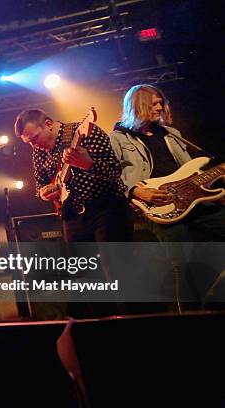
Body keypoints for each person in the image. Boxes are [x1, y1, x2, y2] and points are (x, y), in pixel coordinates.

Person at [109, 84, 225, 310]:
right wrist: (135, 191)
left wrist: (217, 177)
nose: (160, 107)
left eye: (161, 102)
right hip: (160, 205)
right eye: (154, 103)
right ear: (139, 105)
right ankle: (191, 318)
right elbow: (109, 176)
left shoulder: (172, 134)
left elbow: (193, 171)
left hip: (193, 200)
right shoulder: (118, 138)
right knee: (184, 265)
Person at [14, 109, 133, 242]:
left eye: (35, 138)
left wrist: (89, 164)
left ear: (48, 124)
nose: (34, 145)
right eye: (29, 142)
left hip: (107, 209)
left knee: (115, 262)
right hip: (72, 216)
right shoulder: (38, 152)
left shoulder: (85, 132)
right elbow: (40, 184)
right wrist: (44, 193)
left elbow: (115, 172)